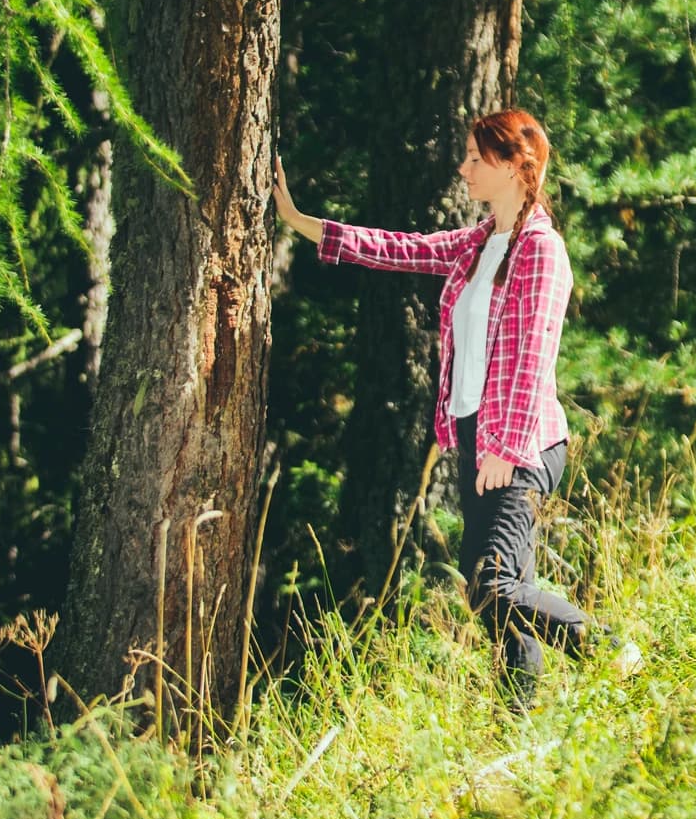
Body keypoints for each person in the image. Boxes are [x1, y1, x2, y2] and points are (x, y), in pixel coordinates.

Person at [272, 108, 640, 710]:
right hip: (479, 442)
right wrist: (299, 220)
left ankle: (609, 649)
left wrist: (504, 448)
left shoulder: (540, 251)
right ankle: (513, 723)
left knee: (493, 586)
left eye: (476, 157)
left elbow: (533, 356)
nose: (464, 167)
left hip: (518, 444)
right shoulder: (478, 244)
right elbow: (399, 250)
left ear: (518, 166)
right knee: (498, 591)